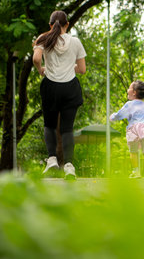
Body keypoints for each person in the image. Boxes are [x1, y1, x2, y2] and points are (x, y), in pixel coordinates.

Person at [33, 10, 86, 180]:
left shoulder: (43, 38)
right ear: (67, 24)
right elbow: (82, 70)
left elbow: (36, 59)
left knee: (49, 125)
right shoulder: (76, 42)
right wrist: (71, 67)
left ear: (50, 25)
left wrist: (41, 69)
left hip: (50, 87)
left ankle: (52, 160)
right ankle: (69, 166)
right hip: (70, 88)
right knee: (67, 128)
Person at [110, 80, 144, 178]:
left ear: (134, 92)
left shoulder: (129, 105)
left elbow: (120, 115)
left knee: (133, 151)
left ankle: (136, 172)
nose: (128, 90)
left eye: (129, 88)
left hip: (133, 130)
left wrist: (112, 117)